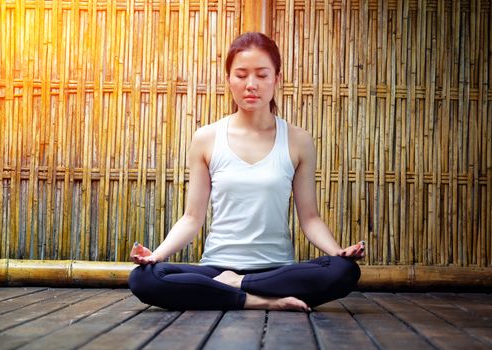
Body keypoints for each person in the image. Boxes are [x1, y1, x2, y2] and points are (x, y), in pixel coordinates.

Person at [128, 32, 365, 312]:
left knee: (344, 270)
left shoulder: (298, 140)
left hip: (276, 271)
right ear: (228, 78)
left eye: (262, 75)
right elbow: (192, 218)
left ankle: (237, 286)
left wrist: (337, 252)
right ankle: (259, 300)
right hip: (217, 270)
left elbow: (310, 218)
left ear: (277, 79)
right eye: (241, 75)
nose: (251, 85)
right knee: (144, 279)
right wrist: (155, 256)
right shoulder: (206, 138)